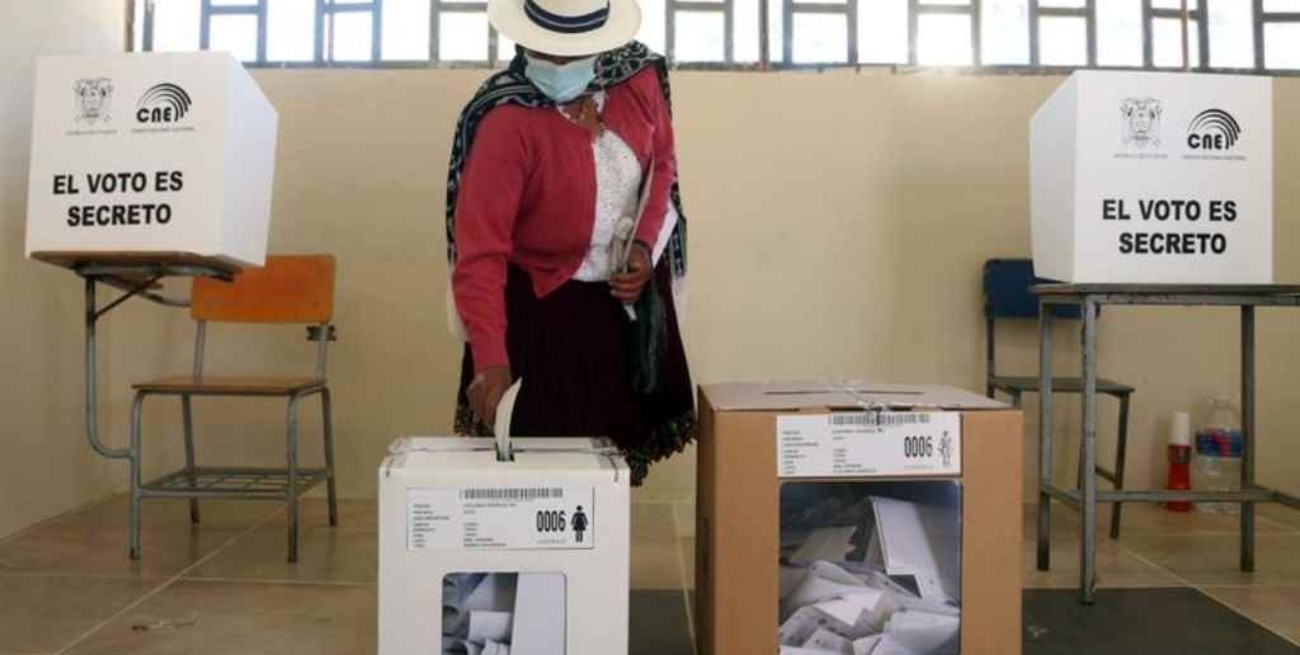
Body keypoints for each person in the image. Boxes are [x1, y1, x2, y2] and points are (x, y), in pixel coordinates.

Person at [445, 0, 695, 483]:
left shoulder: (636, 79)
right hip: (543, 316)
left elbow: (663, 166)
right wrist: (491, 360)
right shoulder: (506, 119)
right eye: (548, 50)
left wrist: (643, 247)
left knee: (612, 472)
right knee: (543, 476)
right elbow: (481, 254)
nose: (559, 63)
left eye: (573, 51)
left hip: (618, 312)